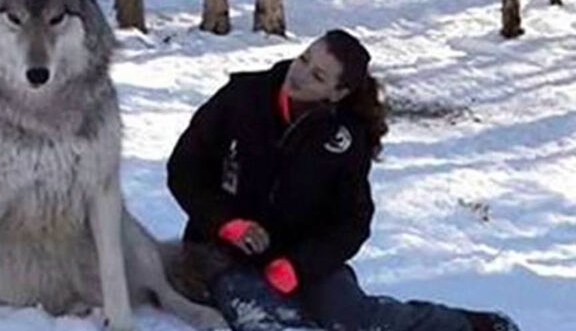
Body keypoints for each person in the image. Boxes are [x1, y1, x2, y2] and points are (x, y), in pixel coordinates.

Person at [166, 29, 520, 331]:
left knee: (357, 318)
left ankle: (470, 325)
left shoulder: (346, 138)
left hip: (301, 258)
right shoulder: (241, 98)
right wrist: (226, 224)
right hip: (220, 252)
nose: (300, 74)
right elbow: (184, 169)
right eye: (304, 59)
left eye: (318, 76)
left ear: (337, 93)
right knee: (266, 321)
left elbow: (352, 222)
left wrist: (299, 266)